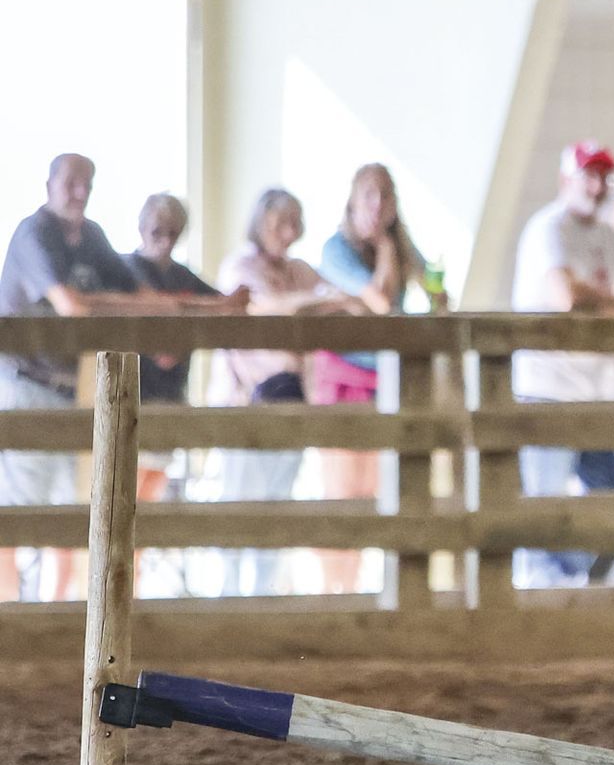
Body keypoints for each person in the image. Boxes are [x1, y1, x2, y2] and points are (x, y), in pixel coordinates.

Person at [0, 155, 199, 601]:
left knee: (73, 510)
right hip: (30, 386)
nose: (79, 191)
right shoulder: (35, 233)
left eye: (87, 182)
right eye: (71, 182)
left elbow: (140, 295)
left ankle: (57, 614)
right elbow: (69, 303)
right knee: (17, 509)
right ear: (49, 183)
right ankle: (9, 615)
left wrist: (176, 312)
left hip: (78, 392)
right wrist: (113, 303)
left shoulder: (92, 236)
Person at [510, 140, 614, 587]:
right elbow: (565, 297)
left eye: (603, 177)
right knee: (546, 506)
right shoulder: (547, 228)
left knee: (611, 504)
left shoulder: (606, 236)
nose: (596, 186)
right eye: (588, 176)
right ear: (565, 180)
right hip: (549, 388)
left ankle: (586, 589)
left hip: (598, 391)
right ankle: (541, 596)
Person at [211, 188, 363, 596]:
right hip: (247, 404)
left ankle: (260, 596)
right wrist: (324, 301)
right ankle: (226, 596)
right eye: (279, 221)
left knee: (277, 503)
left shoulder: (300, 270)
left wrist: (325, 300)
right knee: (239, 504)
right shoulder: (240, 267)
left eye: (294, 221)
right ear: (260, 222)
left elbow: (342, 300)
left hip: (295, 398)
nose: (288, 230)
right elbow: (274, 307)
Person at [310, 163, 444, 593]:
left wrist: (418, 269)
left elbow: (437, 291)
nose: (377, 204)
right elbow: (381, 300)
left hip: (389, 381)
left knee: (379, 495)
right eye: (369, 194)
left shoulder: (403, 246)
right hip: (345, 380)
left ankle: (371, 594)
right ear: (352, 198)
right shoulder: (336, 249)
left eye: (386, 196)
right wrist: (387, 248)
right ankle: (337, 592)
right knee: (343, 495)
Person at [123, 193, 246, 501]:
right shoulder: (125, 270)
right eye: (157, 231)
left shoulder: (182, 276)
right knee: (126, 489)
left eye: (173, 233)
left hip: (171, 395)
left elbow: (223, 306)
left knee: (149, 494)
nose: (165, 241)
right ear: (141, 227)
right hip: (133, 396)